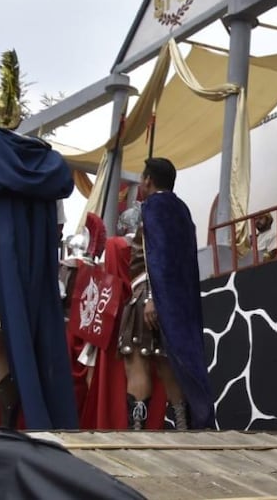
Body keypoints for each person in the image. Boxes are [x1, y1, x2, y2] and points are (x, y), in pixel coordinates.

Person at [0, 50, 78, 430]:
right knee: (9, 348)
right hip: (17, 266)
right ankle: (5, 427)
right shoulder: (42, 160)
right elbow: (54, 225)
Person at [117, 158, 213, 430]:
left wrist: (149, 297)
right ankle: (182, 430)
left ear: (147, 180)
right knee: (168, 367)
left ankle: (137, 433)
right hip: (175, 306)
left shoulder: (154, 208)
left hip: (148, 300)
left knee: (136, 363)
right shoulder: (182, 211)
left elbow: (153, 255)